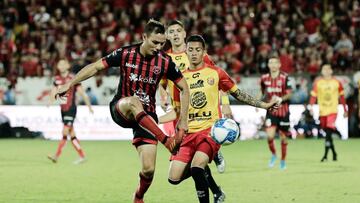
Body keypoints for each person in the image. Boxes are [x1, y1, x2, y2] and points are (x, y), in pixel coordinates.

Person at [54, 19, 190, 203]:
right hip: (122, 107)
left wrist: (183, 121)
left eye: (162, 43)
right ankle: (167, 141)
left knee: (149, 169)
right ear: (144, 37)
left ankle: (138, 197)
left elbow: (185, 88)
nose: (158, 47)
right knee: (134, 101)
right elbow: (95, 67)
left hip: (147, 115)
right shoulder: (126, 53)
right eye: (154, 42)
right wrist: (70, 83)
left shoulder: (165, 62)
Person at [161, 35, 278, 203]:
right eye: (191, 50)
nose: (194, 53)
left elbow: (238, 94)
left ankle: (210, 188)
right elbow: (177, 111)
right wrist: (153, 119)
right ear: (186, 51)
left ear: (204, 52)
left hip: (210, 131)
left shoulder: (215, 73)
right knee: (173, 178)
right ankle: (217, 190)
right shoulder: (179, 79)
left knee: (196, 168)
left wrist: (263, 105)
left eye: (198, 50)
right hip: (188, 134)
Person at [160, 20, 231, 174]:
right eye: (171, 32)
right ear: (166, 36)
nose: (175, 34)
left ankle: (214, 150)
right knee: (191, 159)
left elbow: (219, 78)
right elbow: (163, 81)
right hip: (180, 111)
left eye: (178, 31)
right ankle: (216, 190)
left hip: (202, 110)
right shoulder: (164, 58)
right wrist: (163, 95)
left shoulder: (197, 53)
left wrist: (225, 103)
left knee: (197, 156)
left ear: (184, 33)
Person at [47, 59, 94, 164]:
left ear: (67, 65)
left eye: (63, 64)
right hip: (62, 109)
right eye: (59, 64)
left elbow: (82, 93)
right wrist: (50, 101)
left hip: (71, 109)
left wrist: (89, 106)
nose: (61, 66)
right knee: (72, 135)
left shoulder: (73, 78)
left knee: (64, 132)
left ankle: (56, 155)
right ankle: (82, 156)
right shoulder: (57, 79)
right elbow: (53, 92)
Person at [258, 53, 292, 170]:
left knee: (283, 138)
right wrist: (257, 103)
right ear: (268, 65)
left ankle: (283, 160)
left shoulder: (285, 77)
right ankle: (273, 155)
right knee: (270, 136)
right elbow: (262, 92)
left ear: (279, 64)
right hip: (271, 111)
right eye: (270, 62)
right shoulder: (264, 78)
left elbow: (290, 93)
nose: (273, 65)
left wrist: (280, 99)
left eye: (275, 63)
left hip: (284, 112)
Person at [309, 64, 347, 162]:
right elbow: (313, 96)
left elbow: (342, 97)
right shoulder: (318, 82)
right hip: (322, 111)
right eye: (324, 69)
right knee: (327, 134)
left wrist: (345, 110)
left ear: (331, 71)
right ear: (321, 71)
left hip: (333, 111)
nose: (326, 71)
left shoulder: (337, 82)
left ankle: (325, 156)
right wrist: (311, 107)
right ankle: (334, 153)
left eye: (328, 69)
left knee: (329, 133)